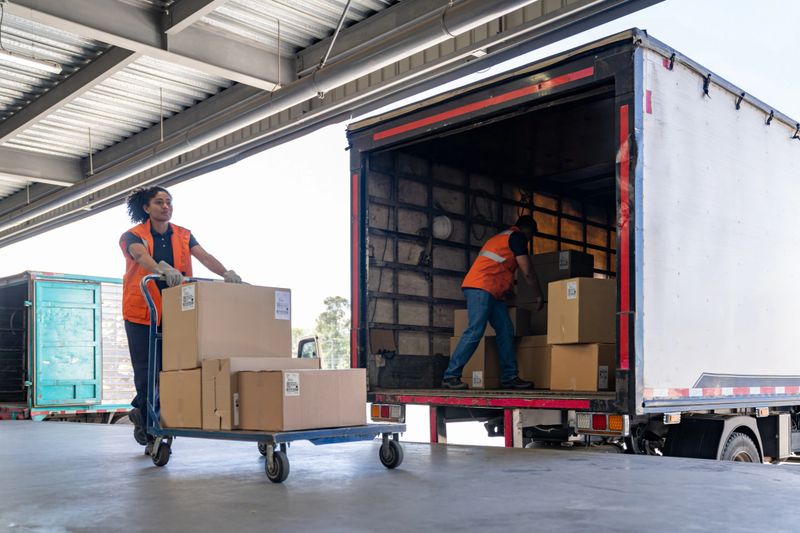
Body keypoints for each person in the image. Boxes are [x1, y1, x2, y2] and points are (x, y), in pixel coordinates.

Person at [120, 186, 242, 452]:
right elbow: (141, 256)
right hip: (143, 313)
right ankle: (148, 424)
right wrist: (160, 268)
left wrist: (226, 272)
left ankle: (148, 414)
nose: (166, 207)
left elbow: (205, 256)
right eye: (159, 202)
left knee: (171, 369)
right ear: (147, 208)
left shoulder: (184, 235)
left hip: (177, 313)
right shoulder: (133, 235)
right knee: (147, 372)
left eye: (169, 202)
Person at [441, 215, 543, 390]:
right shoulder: (516, 237)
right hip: (481, 287)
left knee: (505, 330)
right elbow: (528, 271)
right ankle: (450, 376)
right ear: (526, 229)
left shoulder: (502, 238)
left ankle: (510, 377)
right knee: (475, 331)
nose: (530, 239)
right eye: (531, 234)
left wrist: (507, 289)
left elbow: (499, 266)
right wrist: (538, 294)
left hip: (492, 291)